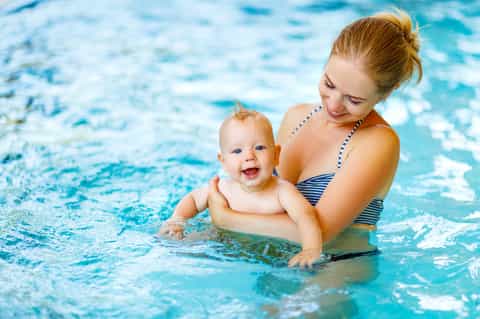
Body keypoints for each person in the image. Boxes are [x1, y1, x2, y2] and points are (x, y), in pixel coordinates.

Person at [207, 9, 423, 257]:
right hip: (273, 253)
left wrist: (226, 219)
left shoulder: (377, 142)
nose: (333, 105)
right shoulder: (296, 117)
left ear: (387, 92)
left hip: (337, 265)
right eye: (329, 84)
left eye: (353, 100)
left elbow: (320, 232)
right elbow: (264, 193)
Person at [158, 104, 324, 267]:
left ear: (276, 155)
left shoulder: (283, 191)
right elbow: (193, 200)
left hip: (269, 254)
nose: (249, 156)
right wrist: (177, 220)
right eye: (237, 151)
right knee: (180, 247)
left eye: (259, 147)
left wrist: (311, 249)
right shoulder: (222, 189)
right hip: (218, 244)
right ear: (223, 162)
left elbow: (306, 217)